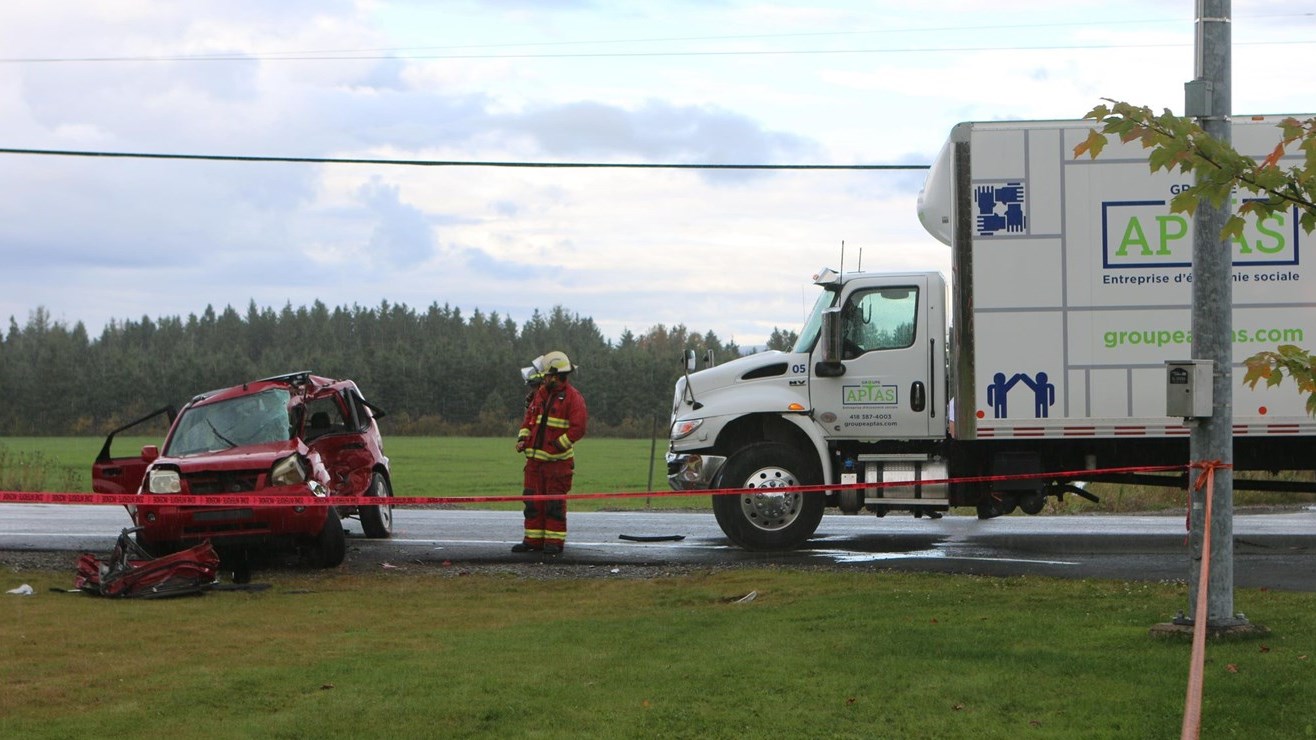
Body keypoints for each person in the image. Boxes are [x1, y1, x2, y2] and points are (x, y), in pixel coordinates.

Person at [512, 350, 588, 554]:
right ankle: (533, 541)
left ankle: (553, 543)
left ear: (556, 375)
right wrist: (522, 439)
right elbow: (529, 420)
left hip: (557, 465)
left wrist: (557, 445)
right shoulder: (540, 395)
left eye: (547, 375)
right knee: (532, 503)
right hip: (534, 464)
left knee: (553, 505)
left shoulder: (573, 398)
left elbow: (578, 428)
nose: (544, 379)